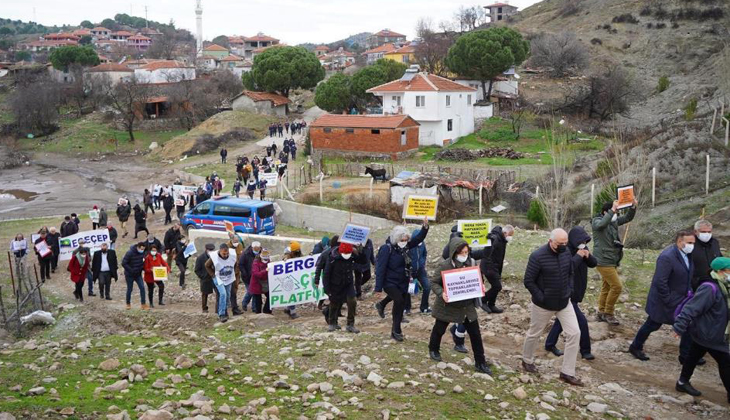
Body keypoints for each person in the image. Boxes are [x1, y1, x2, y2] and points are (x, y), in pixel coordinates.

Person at [522, 229, 583, 386]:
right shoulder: (537, 256)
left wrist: (569, 290)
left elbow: (570, 272)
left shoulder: (566, 252)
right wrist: (542, 297)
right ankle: (527, 360)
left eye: (565, 243)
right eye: (560, 244)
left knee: (575, 333)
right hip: (543, 305)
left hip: (564, 302)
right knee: (534, 333)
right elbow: (528, 280)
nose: (563, 246)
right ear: (551, 241)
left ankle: (567, 372)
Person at [629, 230, 696, 363]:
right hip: (664, 301)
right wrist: (668, 299)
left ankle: (685, 355)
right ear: (679, 242)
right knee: (652, 324)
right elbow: (660, 281)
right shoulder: (667, 257)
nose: (692, 245)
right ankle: (635, 346)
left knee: (688, 325)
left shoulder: (687, 255)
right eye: (689, 242)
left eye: (693, 243)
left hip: (682, 299)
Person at [428, 237, 492, 374]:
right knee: (439, 328)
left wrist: (481, 286)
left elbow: (479, 278)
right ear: (454, 253)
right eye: (462, 253)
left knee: (475, 334)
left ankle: (480, 362)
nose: (465, 255)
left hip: (466, 305)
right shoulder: (444, 265)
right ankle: (433, 349)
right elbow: (434, 282)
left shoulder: (472, 263)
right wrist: (441, 293)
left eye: (466, 252)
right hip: (448, 304)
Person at [673, 257, 730, 401]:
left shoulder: (725, 285)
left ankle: (682, 382)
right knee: (725, 362)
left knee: (693, 355)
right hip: (710, 333)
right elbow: (692, 308)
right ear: (720, 271)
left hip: (709, 331)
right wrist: (679, 326)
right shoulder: (710, 288)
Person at [545, 227, 597, 361]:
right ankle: (585, 351)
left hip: (578, 291)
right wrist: (579, 256)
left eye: (585, 241)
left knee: (561, 322)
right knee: (582, 322)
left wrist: (587, 255)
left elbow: (593, 263)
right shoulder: (565, 250)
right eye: (581, 241)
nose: (583, 243)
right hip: (567, 292)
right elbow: (568, 268)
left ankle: (550, 344)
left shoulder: (583, 248)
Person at [374, 219, 429, 342]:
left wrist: (425, 227)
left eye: (405, 240)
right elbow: (380, 269)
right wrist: (378, 288)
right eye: (401, 240)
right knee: (398, 301)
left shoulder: (406, 247)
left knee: (401, 302)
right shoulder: (386, 249)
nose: (404, 242)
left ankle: (383, 308)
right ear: (396, 239)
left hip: (402, 280)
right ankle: (396, 329)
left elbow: (418, 239)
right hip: (389, 282)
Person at [593, 198, 637, 326]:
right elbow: (601, 225)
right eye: (615, 212)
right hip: (602, 260)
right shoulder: (597, 221)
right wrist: (612, 210)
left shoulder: (613, 222)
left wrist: (633, 207)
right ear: (605, 212)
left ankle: (601, 312)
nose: (616, 214)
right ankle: (609, 313)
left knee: (607, 287)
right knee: (617, 286)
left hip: (612, 260)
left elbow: (628, 218)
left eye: (617, 212)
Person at [323, 242, 366, 333]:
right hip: (335, 284)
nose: (347, 255)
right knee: (334, 303)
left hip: (348, 283)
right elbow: (326, 274)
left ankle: (350, 324)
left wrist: (360, 251)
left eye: (348, 253)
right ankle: (332, 323)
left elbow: (363, 261)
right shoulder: (332, 258)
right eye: (345, 254)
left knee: (352, 301)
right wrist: (327, 289)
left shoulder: (352, 255)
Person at [479, 225, 514, 314]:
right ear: (505, 233)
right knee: (497, 286)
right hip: (489, 267)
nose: (510, 238)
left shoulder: (502, 239)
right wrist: (493, 270)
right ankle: (483, 300)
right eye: (510, 235)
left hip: (496, 266)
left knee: (496, 285)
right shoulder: (495, 239)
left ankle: (492, 304)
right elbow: (488, 255)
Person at [205, 243, 237, 322]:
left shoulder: (232, 255)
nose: (225, 255)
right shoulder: (214, 257)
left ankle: (225, 311)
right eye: (223, 254)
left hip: (229, 277)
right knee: (223, 294)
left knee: (228, 295)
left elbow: (236, 264)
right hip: (218, 277)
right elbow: (206, 265)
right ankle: (221, 314)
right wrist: (212, 275)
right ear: (220, 251)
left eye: (227, 254)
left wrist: (234, 272)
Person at [692, 220, 722, 291]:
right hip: (697, 286)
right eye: (703, 232)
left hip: (716, 284)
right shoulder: (690, 245)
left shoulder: (715, 243)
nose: (707, 234)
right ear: (695, 231)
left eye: (709, 232)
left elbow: (720, 259)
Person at [408, 229, 431, 313]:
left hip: (421, 270)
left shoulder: (422, 244)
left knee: (427, 287)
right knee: (407, 289)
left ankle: (424, 307)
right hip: (410, 271)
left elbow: (425, 253)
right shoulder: (410, 245)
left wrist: (422, 262)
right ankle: (407, 308)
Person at [122, 242, 148, 309]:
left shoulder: (142, 253)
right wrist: (131, 270)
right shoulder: (129, 253)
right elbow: (124, 263)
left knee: (142, 287)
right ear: (138, 247)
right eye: (141, 249)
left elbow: (142, 262)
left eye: (143, 249)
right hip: (129, 274)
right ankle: (128, 304)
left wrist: (144, 268)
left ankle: (143, 304)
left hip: (138, 274)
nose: (142, 250)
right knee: (130, 289)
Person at [282, 242, 303, 319]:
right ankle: (293, 312)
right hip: (289, 279)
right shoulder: (288, 257)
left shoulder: (298, 255)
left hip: (296, 278)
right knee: (292, 295)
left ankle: (288, 309)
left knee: (292, 295)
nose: (298, 251)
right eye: (297, 250)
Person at [195, 243, 218, 313]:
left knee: (218, 293)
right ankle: (204, 308)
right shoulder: (200, 258)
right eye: (209, 250)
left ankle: (218, 309)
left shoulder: (215, 256)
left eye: (212, 250)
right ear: (206, 250)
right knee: (204, 294)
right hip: (205, 279)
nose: (211, 251)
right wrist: (203, 276)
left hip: (214, 277)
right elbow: (197, 270)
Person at [239, 241, 261, 311]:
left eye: (258, 249)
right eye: (255, 249)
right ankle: (244, 303)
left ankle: (254, 307)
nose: (257, 250)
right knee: (250, 291)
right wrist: (245, 273)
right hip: (247, 277)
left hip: (256, 276)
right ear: (252, 248)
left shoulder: (261, 253)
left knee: (255, 292)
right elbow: (240, 264)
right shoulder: (245, 254)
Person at [226, 232, 245, 316]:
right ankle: (228, 302)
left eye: (237, 241)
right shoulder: (226, 246)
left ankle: (232, 302)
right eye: (235, 241)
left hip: (237, 270)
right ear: (231, 240)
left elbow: (241, 255)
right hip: (229, 271)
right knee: (230, 288)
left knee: (235, 287)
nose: (236, 243)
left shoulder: (240, 246)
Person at [250, 249, 272, 314]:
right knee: (258, 301)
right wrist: (265, 270)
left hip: (265, 283)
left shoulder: (269, 262)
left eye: (267, 259)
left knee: (270, 296)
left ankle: (266, 310)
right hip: (256, 284)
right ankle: (258, 313)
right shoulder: (255, 263)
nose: (266, 261)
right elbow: (256, 274)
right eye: (265, 259)